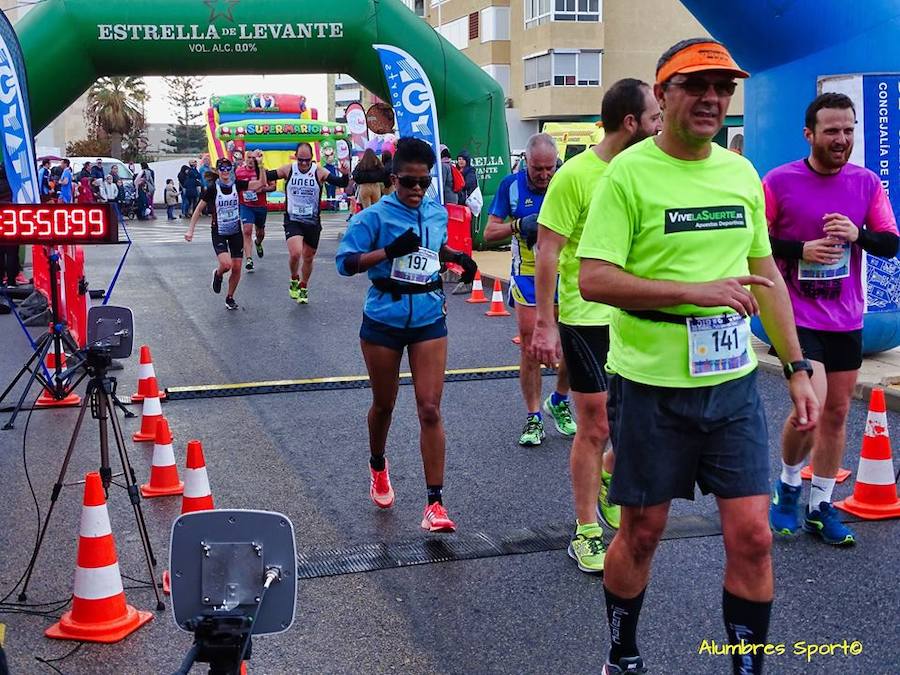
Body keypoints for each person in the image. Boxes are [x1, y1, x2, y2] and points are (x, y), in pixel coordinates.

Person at [576, 38, 818, 675]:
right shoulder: (627, 173)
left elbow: (764, 272)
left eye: (723, 87)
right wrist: (693, 291)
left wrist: (796, 367)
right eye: (696, 86)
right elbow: (593, 279)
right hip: (650, 383)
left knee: (755, 536)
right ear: (662, 95)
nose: (713, 98)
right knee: (643, 533)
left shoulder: (740, 173)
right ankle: (623, 655)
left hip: (733, 385)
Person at [531, 79, 662, 575]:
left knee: (637, 422)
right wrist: (546, 325)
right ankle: (585, 531)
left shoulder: (646, 172)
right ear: (630, 123)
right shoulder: (576, 176)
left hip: (636, 318)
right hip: (586, 319)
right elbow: (547, 250)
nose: (659, 126)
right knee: (596, 425)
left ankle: (609, 473)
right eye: (653, 118)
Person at [766, 92, 899, 546]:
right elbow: (756, 244)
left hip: (845, 317)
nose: (842, 139)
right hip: (797, 315)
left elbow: (889, 242)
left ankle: (820, 505)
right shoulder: (780, 182)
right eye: (832, 131)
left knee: (837, 413)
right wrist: (799, 249)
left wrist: (857, 234)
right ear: (809, 134)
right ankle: (787, 486)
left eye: (848, 130)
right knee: (811, 409)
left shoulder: (865, 183)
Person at [335, 137, 478, 532]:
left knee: (430, 408)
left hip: (429, 316)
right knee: (384, 405)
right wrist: (388, 252)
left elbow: (431, 248)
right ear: (393, 179)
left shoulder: (435, 212)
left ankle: (435, 504)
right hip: (384, 317)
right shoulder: (373, 218)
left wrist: (456, 258)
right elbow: (345, 264)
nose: (417, 189)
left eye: (424, 182)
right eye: (408, 182)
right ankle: (378, 465)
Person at [483, 133, 574, 447]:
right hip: (527, 276)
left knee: (574, 348)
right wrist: (518, 226)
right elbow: (489, 231)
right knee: (531, 347)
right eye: (538, 169)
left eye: (550, 168)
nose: (545, 175)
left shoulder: (567, 182)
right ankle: (534, 417)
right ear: (526, 163)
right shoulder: (511, 186)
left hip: (566, 274)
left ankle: (560, 400)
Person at [264, 142, 350, 303]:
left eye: (307, 160)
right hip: (293, 219)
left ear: (312, 159)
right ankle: (294, 278)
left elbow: (342, 183)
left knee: (308, 257)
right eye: (301, 160)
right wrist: (258, 165)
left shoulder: (319, 172)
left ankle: (304, 286)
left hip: (312, 222)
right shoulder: (288, 169)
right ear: (295, 157)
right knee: (296, 253)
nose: (303, 164)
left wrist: (345, 174)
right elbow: (267, 176)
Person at [184, 158, 268, 310]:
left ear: (231, 169)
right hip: (219, 231)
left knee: (236, 267)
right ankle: (218, 274)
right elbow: (198, 209)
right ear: (217, 170)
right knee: (226, 264)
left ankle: (230, 297)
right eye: (222, 168)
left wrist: (261, 165)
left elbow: (261, 184)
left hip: (235, 231)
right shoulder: (213, 189)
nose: (225, 171)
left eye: (228, 167)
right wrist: (190, 230)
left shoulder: (237, 184)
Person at [237, 150, 274, 272]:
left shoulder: (262, 170)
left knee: (260, 233)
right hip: (246, 206)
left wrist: (261, 190)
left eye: (253, 158)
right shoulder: (239, 171)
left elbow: (273, 186)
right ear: (245, 158)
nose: (251, 160)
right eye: (248, 157)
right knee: (247, 230)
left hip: (260, 206)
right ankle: (249, 259)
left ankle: (258, 243)